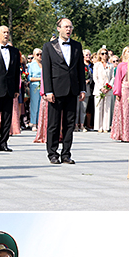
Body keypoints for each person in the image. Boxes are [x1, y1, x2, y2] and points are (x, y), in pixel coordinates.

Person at [41, 17, 85, 166]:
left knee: (69, 124)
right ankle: (52, 153)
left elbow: (80, 69)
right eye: (66, 27)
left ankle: (66, 154)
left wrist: (82, 89)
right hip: (55, 90)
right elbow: (46, 71)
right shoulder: (48, 46)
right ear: (58, 28)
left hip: (72, 90)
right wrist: (48, 91)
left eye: (70, 27)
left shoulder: (77, 46)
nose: (68, 30)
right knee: (53, 124)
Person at [92, 47, 113, 132]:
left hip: (107, 88)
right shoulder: (97, 65)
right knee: (99, 107)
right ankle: (98, 127)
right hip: (98, 89)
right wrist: (101, 87)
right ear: (100, 55)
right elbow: (95, 77)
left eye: (106, 53)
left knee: (107, 108)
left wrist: (108, 87)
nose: (104, 55)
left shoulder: (110, 65)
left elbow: (112, 77)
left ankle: (106, 127)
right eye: (102, 53)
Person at [111, 46, 129, 141]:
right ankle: (124, 134)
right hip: (124, 89)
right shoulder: (121, 65)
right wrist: (117, 92)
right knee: (124, 111)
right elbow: (117, 79)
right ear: (124, 53)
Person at [28, 49, 43, 130]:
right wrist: (40, 79)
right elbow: (29, 78)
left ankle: (40, 122)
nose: (40, 56)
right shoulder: (31, 65)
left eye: (41, 54)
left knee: (42, 105)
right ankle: (33, 123)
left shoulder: (44, 64)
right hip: (35, 86)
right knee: (34, 105)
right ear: (34, 55)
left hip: (43, 86)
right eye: (37, 54)